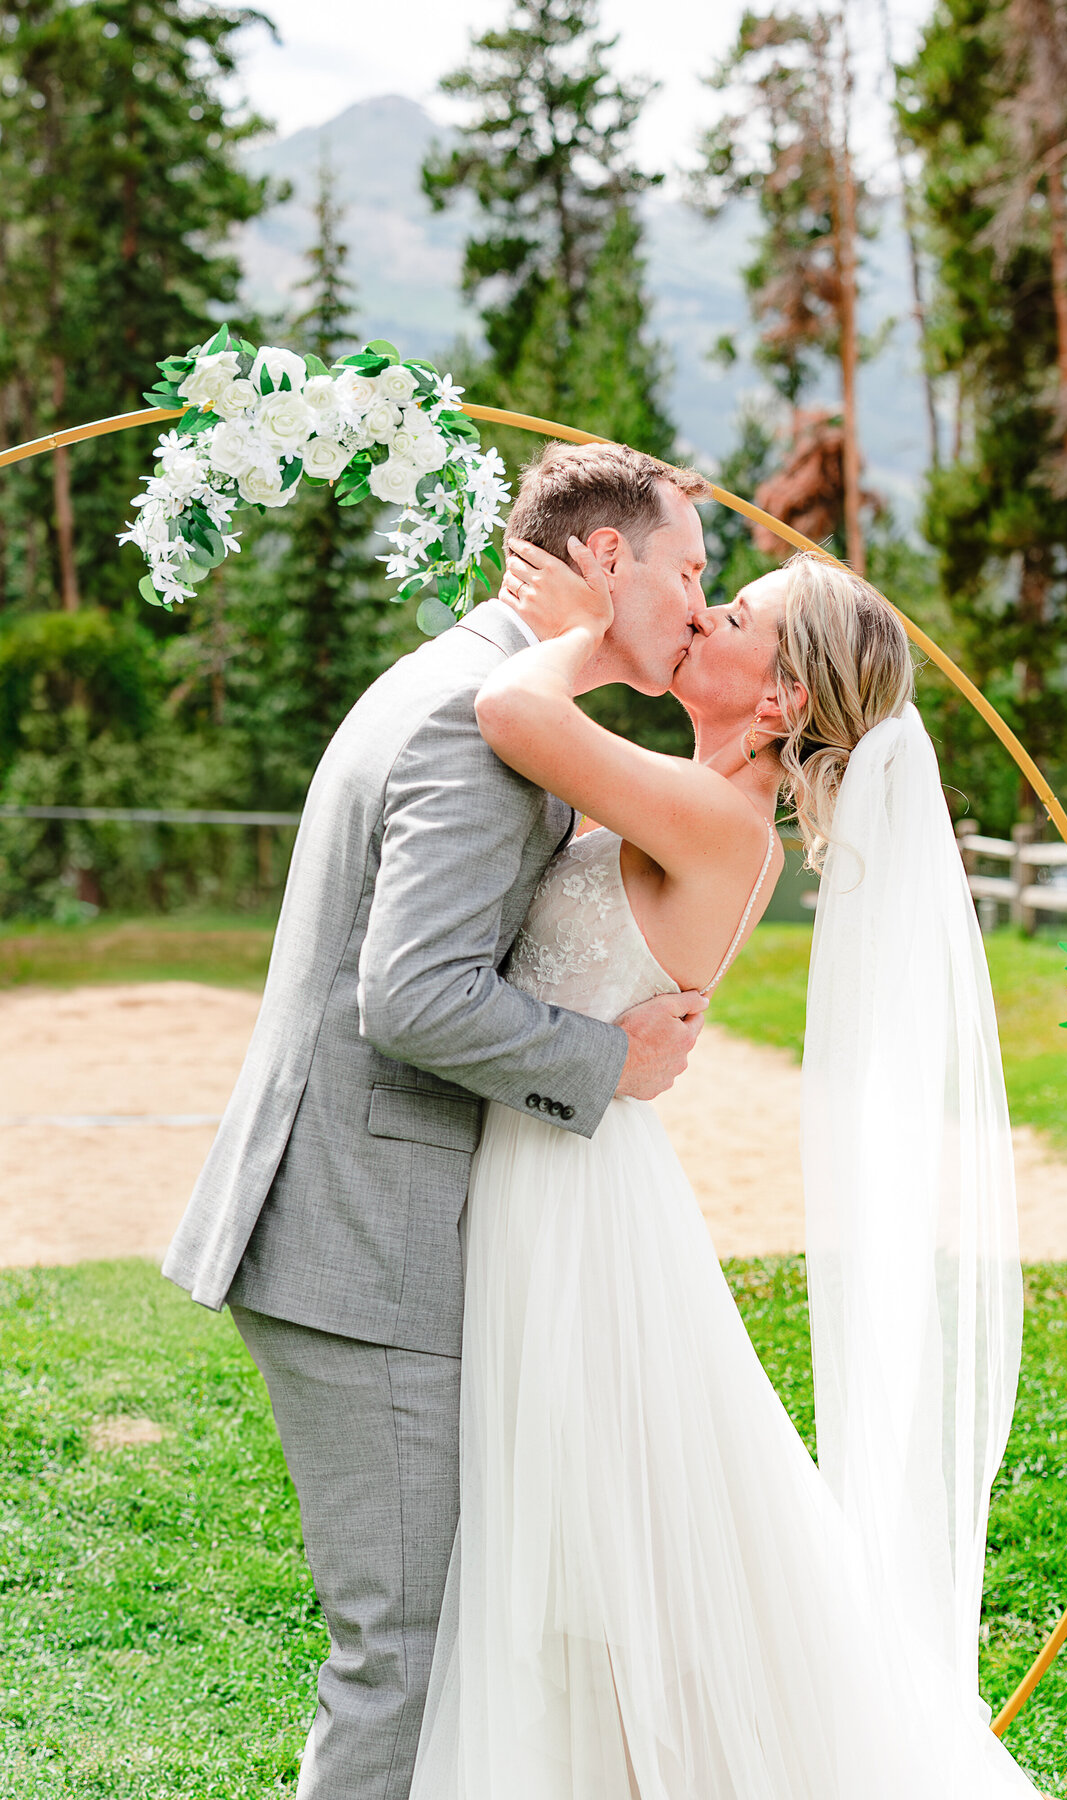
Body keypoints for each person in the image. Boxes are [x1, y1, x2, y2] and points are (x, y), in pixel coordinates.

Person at [407, 528, 1041, 1797]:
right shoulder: (688, 786)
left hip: (574, 1199)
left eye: (732, 613)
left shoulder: (710, 811)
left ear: (782, 698)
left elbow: (505, 709)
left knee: (602, 1546)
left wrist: (586, 623)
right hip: (572, 1167)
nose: (700, 619)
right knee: (600, 1549)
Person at [162, 444, 717, 1798]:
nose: (703, 604)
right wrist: (607, 1059)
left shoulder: (485, 697)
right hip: (359, 1240)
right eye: (691, 569)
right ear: (604, 559)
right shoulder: (470, 719)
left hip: (369, 1228)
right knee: (400, 1649)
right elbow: (410, 997)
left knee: (425, 1631)